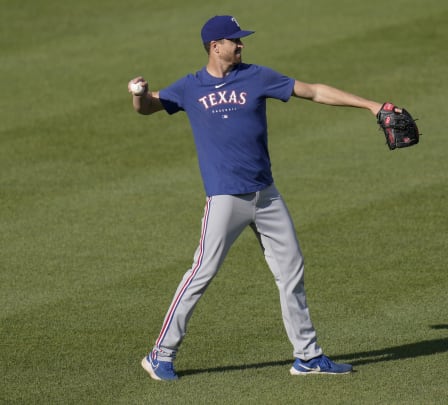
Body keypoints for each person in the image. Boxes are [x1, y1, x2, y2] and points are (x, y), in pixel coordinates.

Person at [129, 15, 383, 381]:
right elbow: (150, 106)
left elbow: (312, 91)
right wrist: (139, 94)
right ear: (216, 46)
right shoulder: (190, 87)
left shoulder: (256, 76)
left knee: (291, 269)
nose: (242, 45)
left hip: (266, 195)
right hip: (225, 198)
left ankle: (307, 357)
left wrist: (371, 105)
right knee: (202, 272)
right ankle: (160, 355)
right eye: (235, 40)